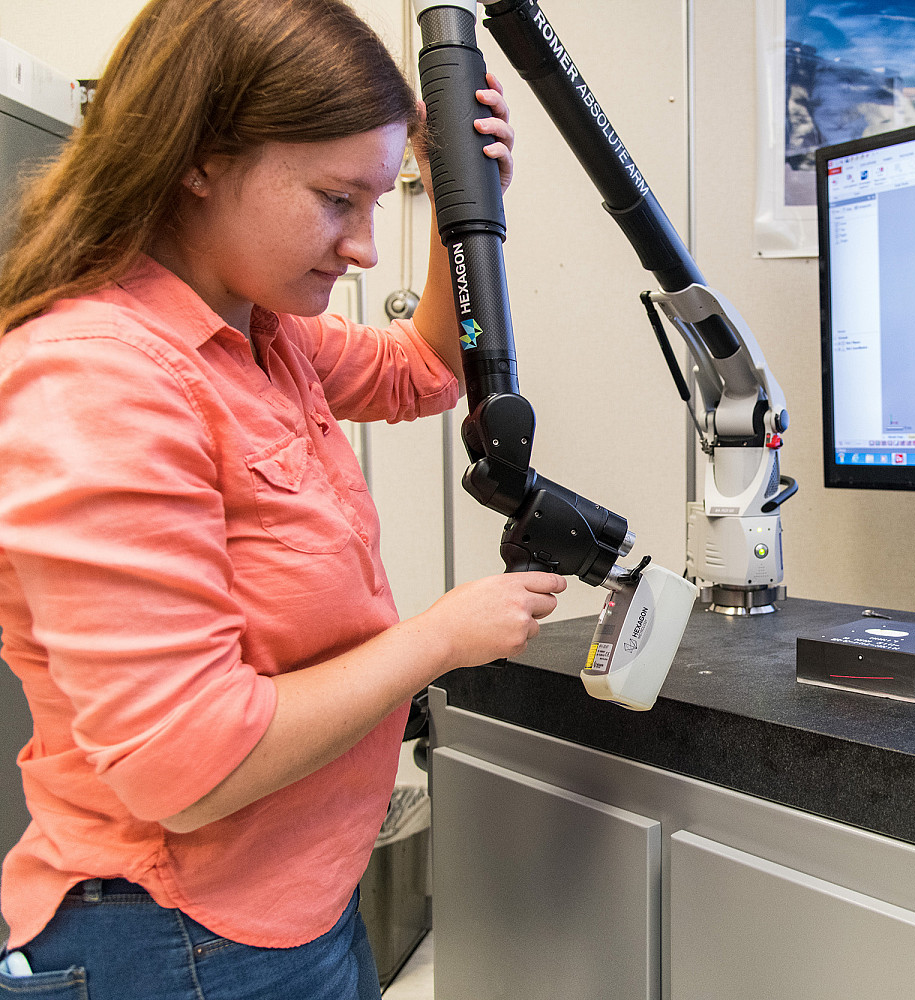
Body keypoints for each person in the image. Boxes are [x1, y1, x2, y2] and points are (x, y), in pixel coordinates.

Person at [0, 1, 566, 996]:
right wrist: (440, 636)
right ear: (199, 159)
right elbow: (189, 769)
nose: (363, 249)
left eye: (377, 197)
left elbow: (431, 368)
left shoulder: (262, 330)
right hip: (176, 940)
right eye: (336, 199)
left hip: (293, 906)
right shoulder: (98, 381)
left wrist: (460, 202)